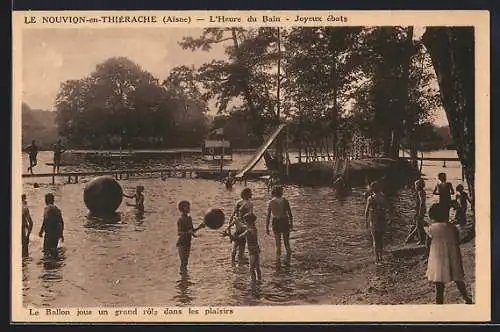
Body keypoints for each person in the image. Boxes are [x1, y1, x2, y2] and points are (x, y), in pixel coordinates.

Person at [425, 203, 473, 304]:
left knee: (439, 284)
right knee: (458, 279)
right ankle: (466, 298)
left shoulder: (431, 228)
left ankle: (439, 304)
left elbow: (427, 244)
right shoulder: (452, 227)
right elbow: (457, 240)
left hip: (438, 258)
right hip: (453, 256)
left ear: (432, 216)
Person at [224, 188, 254, 262]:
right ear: (247, 194)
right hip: (244, 227)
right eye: (250, 193)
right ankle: (240, 263)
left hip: (237, 226)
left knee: (235, 246)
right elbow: (251, 216)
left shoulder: (238, 202)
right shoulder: (250, 204)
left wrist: (229, 226)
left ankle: (233, 262)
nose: (252, 194)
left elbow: (233, 214)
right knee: (242, 247)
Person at [176, 200, 204, 273]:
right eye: (187, 207)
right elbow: (179, 233)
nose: (189, 208)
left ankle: (184, 279)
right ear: (182, 208)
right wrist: (188, 232)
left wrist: (200, 227)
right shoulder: (180, 220)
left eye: (189, 207)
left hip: (188, 243)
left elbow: (192, 231)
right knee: (183, 262)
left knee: (185, 262)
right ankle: (183, 278)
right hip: (181, 243)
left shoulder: (189, 218)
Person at [232, 213, 262, 281]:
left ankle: (253, 282)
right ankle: (259, 280)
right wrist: (237, 220)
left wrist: (229, 235)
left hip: (252, 251)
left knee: (251, 268)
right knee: (257, 267)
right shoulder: (253, 228)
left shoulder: (248, 231)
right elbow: (242, 226)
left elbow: (238, 237)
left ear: (247, 221)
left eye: (245, 220)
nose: (244, 221)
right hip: (256, 249)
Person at [266, 186, 294, 257]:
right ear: (281, 192)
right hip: (284, 221)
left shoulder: (271, 202)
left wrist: (267, 227)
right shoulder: (285, 201)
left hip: (275, 221)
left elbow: (268, 216)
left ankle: (278, 261)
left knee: (278, 244)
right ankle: (288, 260)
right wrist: (291, 224)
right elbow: (290, 214)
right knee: (286, 243)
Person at [364, 181, 386, 265]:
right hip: (382, 220)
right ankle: (381, 257)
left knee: (375, 240)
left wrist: (366, 221)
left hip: (374, 221)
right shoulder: (383, 197)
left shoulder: (370, 198)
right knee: (381, 240)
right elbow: (385, 208)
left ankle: (377, 259)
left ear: (372, 189)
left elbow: (366, 211)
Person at [405, 178, 427, 245]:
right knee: (418, 224)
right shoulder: (421, 192)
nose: (415, 187)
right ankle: (412, 238)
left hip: (420, 210)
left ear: (419, 186)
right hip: (419, 209)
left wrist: (420, 211)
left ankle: (421, 240)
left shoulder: (420, 192)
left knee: (419, 225)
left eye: (416, 185)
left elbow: (422, 202)